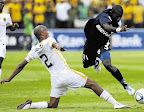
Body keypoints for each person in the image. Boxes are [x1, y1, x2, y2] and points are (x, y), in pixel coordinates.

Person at [0, 25, 130, 110]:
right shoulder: (48, 40)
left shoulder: (33, 49)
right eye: (45, 30)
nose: (47, 31)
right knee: (92, 84)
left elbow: (21, 65)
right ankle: (116, 104)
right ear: (43, 33)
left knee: (53, 105)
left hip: (55, 79)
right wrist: (59, 47)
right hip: (65, 74)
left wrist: (9, 78)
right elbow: (54, 44)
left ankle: (30, 105)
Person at [82, 5, 135, 96]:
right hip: (91, 43)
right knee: (86, 65)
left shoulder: (116, 22)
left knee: (108, 65)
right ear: (111, 13)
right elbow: (106, 27)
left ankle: (126, 86)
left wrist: (109, 44)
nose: (118, 19)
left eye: (120, 17)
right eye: (117, 16)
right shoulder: (104, 15)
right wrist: (120, 30)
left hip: (103, 44)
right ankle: (96, 61)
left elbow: (109, 33)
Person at [0, 0, 19, 80]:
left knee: (0, 61)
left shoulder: (6, 16)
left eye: (1, 3)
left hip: (1, 42)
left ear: (4, 5)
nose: (0, 4)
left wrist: (14, 27)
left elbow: (10, 28)